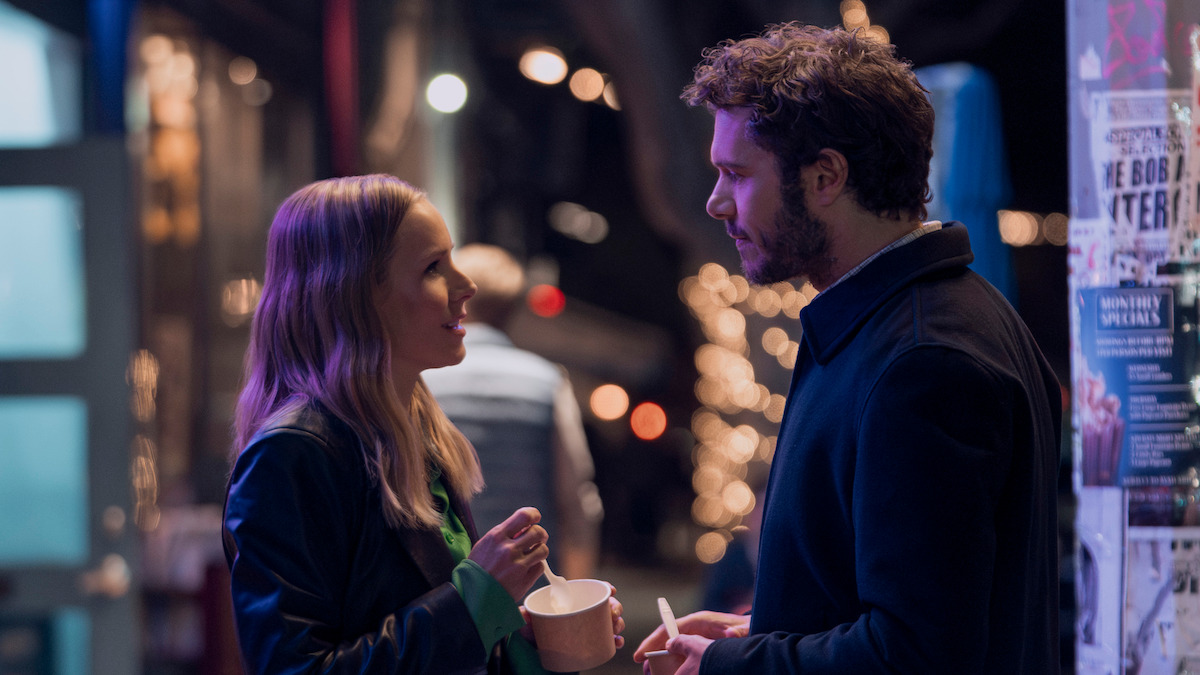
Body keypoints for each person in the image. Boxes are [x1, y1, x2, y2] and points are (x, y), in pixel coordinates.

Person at [634, 23, 1061, 674]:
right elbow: (893, 603)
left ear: (826, 175)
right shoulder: (911, 320)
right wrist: (760, 626)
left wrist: (733, 666)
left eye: (735, 174)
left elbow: (916, 654)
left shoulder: (923, 360)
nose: (717, 201)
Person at [222, 174, 623, 674]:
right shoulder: (293, 453)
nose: (467, 287)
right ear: (358, 295)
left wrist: (521, 637)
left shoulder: (415, 431)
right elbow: (295, 668)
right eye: (434, 267)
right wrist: (478, 597)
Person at [423, 244, 603, 581]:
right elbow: (577, 502)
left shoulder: (423, 382)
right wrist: (576, 595)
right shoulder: (547, 381)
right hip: (530, 591)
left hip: (449, 592)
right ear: (512, 308)